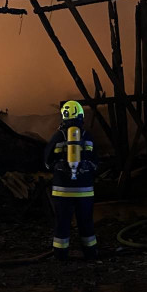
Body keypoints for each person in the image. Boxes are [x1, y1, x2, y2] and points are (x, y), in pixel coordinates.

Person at [43, 100, 98, 260]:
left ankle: (60, 256)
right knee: (86, 222)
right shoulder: (88, 136)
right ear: (81, 116)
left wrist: (59, 167)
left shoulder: (58, 136)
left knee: (62, 224)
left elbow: (47, 162)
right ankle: (91, 254)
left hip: (62, 192)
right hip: (84, 191)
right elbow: (96, 162)